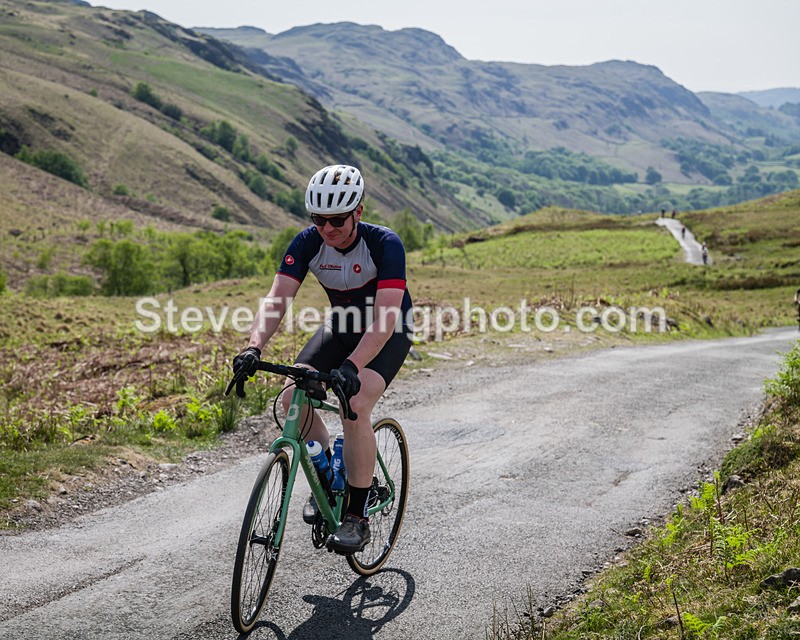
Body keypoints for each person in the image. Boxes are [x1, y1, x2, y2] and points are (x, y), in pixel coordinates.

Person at [232, 164, 413, 554]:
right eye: (318, 219)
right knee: (291, 396)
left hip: (390, 329)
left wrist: (352, 366)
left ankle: (357, 516)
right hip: (342, 324)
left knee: (355, 403)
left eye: (336, 220)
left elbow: (386, 318)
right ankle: (330, 477)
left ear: (358, 212)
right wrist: (253, 347)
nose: (327, 229)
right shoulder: (307, 242)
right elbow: (277, 300)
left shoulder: (385, 244)